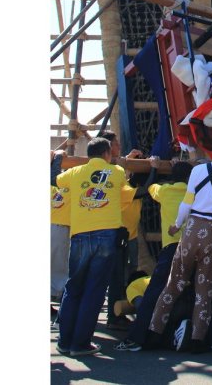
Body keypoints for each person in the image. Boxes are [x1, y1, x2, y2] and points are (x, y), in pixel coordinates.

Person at [147, 133, 212, 353]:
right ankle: (196, 340)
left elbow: (187, 202)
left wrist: (177, 224)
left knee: (174, 283)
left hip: (191, 229)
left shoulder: (198, 171)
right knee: (204, 288)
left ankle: (154, 333)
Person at [55, 137, 129, 356]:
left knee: (74, 287)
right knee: (94, 291)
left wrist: (57, 159)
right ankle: (80, 343)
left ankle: (64, 341)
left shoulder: (75, 173)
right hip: (106, 235)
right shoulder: (116, 172)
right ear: (107, 153)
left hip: (79, 234)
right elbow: (126, 185)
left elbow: (57, 181)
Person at [116, 160, 193, 352]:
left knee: (154, 292)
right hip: (194, 248)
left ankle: (137, 337)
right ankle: (206, 337)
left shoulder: (165, 191)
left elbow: (150, 188)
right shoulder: (196, 193)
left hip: (171, 248)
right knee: (197, 292)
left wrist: (154, 168)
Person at [106, 157, 158, 329]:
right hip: (121, 239)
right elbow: (144, 191)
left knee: (127, 274)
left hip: (131, 237)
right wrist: (154, 170)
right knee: (117, 277)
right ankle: (114, 316)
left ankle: (121, 310)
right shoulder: (126, 189)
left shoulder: (130, 187)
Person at [51, 150, 71, 303]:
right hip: (57, 225)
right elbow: (54, 177)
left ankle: (57, 291)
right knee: (58, 261)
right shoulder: (53, 184)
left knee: (61, 261)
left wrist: (57, 157)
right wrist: (57, 158)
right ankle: (56, 291)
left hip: (64, 226)